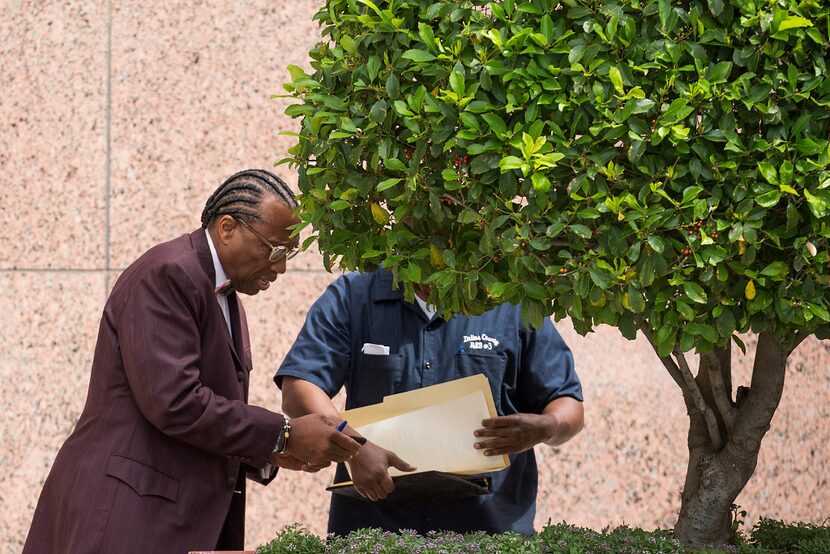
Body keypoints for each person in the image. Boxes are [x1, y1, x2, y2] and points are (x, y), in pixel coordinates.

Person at [23, 169, 362, 554]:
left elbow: (207, 414)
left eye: (289, 254)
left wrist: (273, 451)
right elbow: (175, 402)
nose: (280, 267)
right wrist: (283, 433)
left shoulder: (222, 293)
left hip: (167, 521)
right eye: (275, 249)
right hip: (126, 516)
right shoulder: (168, 273)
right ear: (228, 227)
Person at [276, 267, 584, 536]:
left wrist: (544, 428)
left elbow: (567, 404)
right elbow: (299, 388)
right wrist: (354, 446)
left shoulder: (509, 301)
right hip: (373, 530)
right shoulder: (354, 295)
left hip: (491, 530)